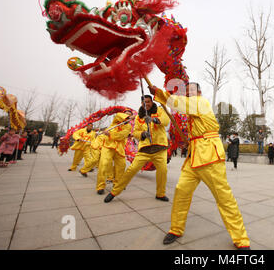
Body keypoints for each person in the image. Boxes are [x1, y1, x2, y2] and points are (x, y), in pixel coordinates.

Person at [149, 82, 250, 250]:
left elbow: (181, 104)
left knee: (224, 197)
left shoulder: (201, 103)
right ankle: (176, 229)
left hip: (209, 156)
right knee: (181, 191)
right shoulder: (191, 111)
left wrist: (160, 94)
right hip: (193, 157)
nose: (188, 94)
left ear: (200, 92)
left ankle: (241, 239)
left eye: (191, 91)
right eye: (186, 92)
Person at [105, 98, 170, 202]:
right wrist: (143, 134)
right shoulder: (139, 117)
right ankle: (114, 192)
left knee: (163, 171)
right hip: (144, 149)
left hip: (160, 148)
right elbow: (135, 132)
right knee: (131, 170)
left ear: (152, 102)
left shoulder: (160, 110)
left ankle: (160, 194)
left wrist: (154, 120)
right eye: (144, 102)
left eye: (148, 101)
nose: (146, 104)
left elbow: (166, 121)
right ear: (141, 103)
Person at [96, 111, 132, 194]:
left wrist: (110, 134)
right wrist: (126, 116)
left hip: (119, 148)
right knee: (104, 164)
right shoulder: (115, 121)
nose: (127, 117)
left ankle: (117, 184)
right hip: (108, 146)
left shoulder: (128, 127)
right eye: (126, 115)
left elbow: (121, 135)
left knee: (121, 166)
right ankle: (100, 186)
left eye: (129, 116)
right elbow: (118, 115)